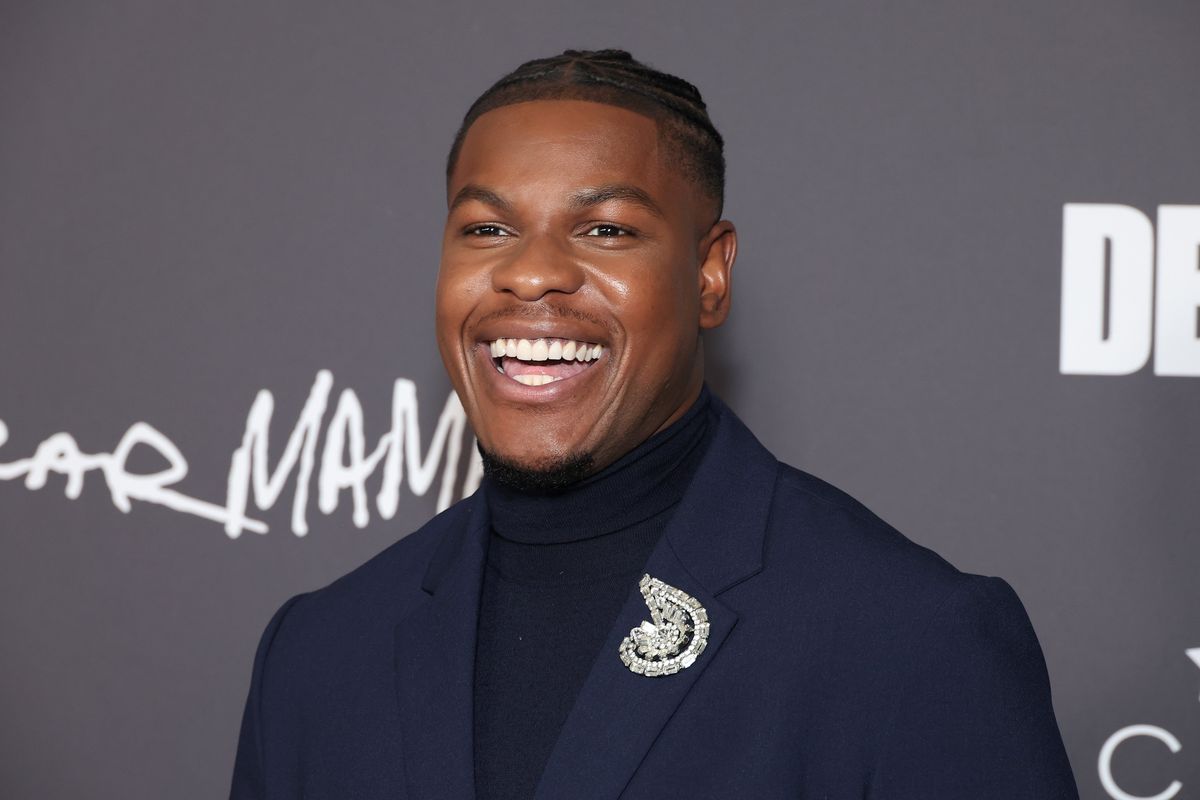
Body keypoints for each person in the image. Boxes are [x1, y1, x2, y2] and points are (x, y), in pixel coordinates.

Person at [230, 49, 1079, 799]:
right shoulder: (318, 654)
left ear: (709, 275)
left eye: (606, 228)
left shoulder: (909, 639)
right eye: (487, 228)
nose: (530, 275)